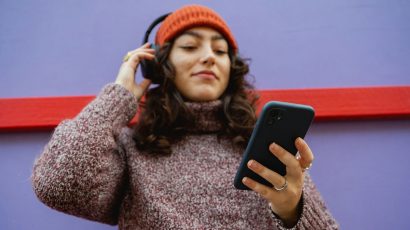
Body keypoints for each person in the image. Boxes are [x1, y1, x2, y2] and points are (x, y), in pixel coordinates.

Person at [32, 4, 338, 229]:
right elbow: (55, 184)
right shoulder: (132, 147)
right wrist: (117, 97)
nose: (208, 56)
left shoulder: (261, 146)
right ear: (160, 66)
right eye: (190, 46)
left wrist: (291, 211)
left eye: (220, 52)